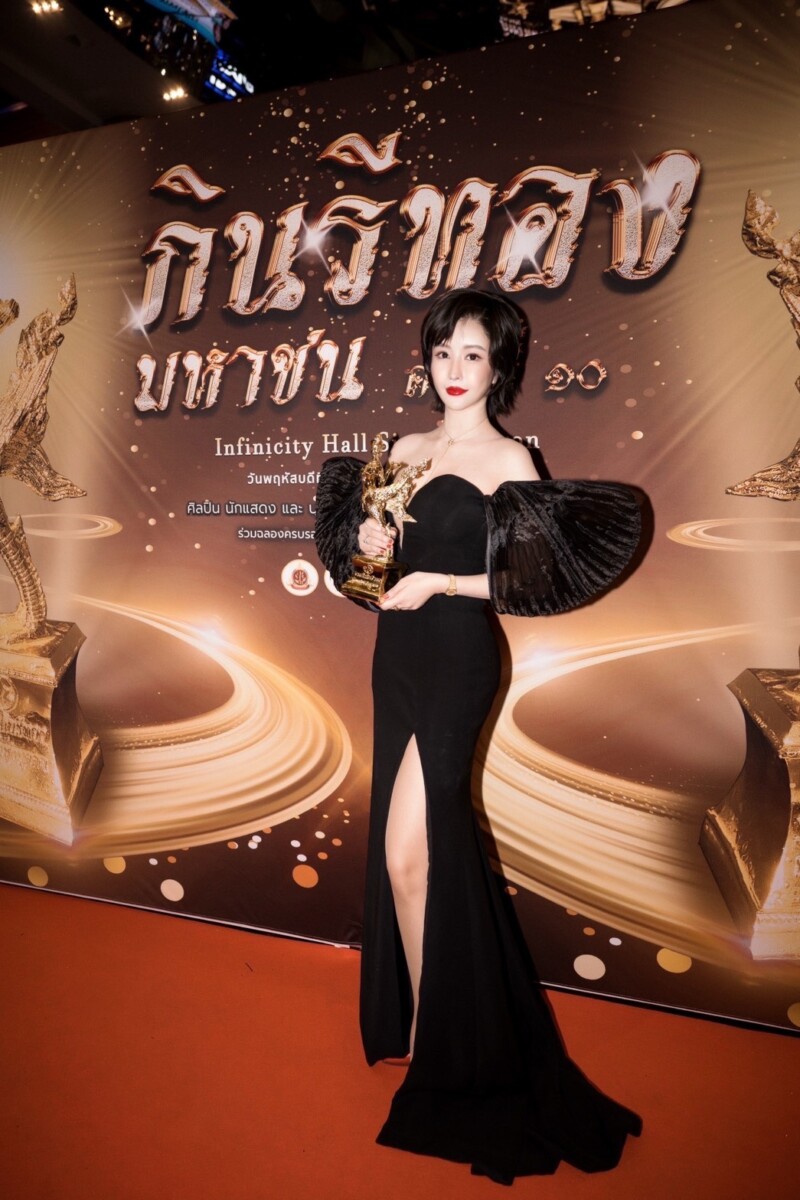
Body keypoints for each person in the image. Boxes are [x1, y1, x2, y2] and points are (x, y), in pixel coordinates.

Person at [314, 288, 642, 1185]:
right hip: (396, 659)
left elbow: (532, 583)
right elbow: (370, 578)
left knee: (413, 851)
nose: (454, 370)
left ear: (499, 368)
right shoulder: (401, 450)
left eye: (472, 355)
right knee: (408, 859)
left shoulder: (510, 459)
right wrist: (372, 548)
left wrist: (445, 584)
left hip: (459, 658)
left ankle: (445, 1038)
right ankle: (433, 1024)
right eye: (442, 352)